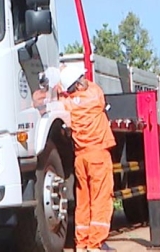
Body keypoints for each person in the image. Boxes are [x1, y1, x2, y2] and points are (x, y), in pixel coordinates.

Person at [58, 64, 115, 252]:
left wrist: (61, 78)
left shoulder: (67, 106)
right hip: (98, 154)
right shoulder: (94, 96)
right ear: (80, 82)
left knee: (83, 202)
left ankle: (81, 244)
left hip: (80, 157)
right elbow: (94, 89)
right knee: (101, 199)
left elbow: (61, 96)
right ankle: (96, 244)